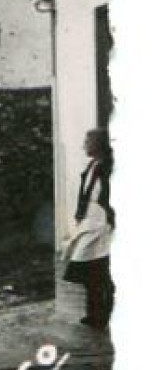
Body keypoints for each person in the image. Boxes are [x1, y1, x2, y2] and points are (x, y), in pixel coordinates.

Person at [62, 128, 114, 329]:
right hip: (90, 219)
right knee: (88, 267)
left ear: (98, 144)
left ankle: (104, 312)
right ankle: (94, 312)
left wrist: (112, 216)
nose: (84, 145)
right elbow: (85, 193)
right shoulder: (92, 165)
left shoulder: (108, 167)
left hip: (101, 221)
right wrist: (80, 213)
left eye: (88, 141)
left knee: (97, 267)